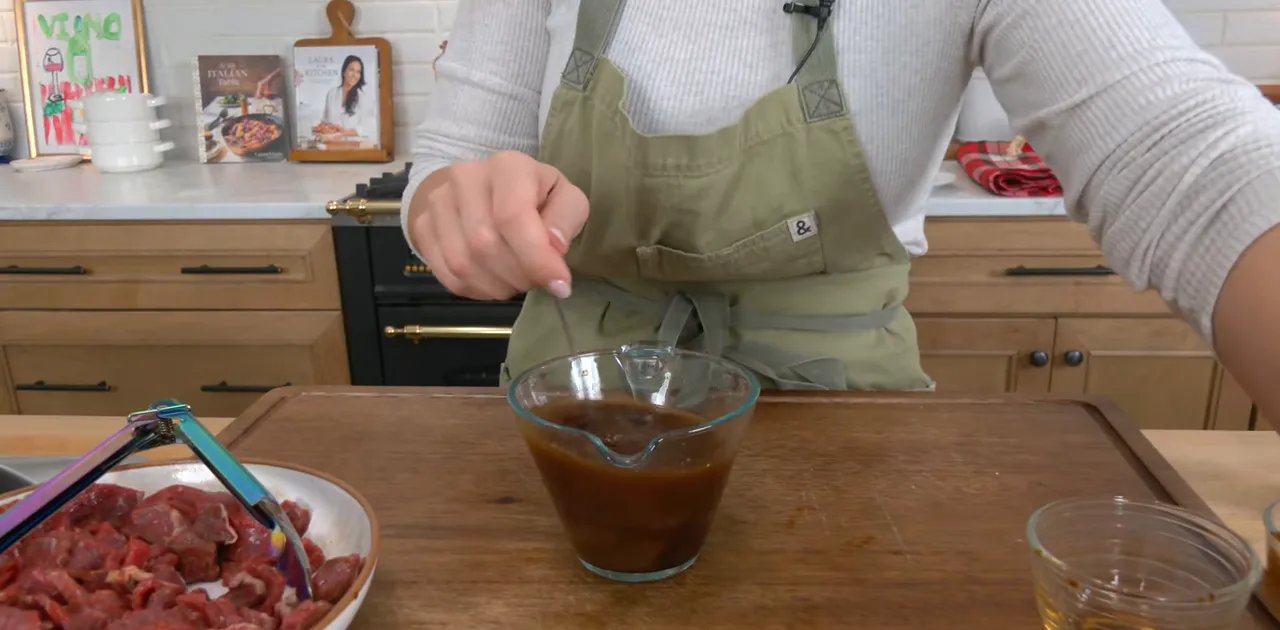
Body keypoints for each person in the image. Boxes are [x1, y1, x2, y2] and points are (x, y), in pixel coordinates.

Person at [402, 0, 1280, 425]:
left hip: (846, 422)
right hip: (577, 408)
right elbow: (450, 162)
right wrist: (454, 207)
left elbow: (1194, 158)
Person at [320, 55, 376, 140]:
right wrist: (321, 128)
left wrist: (343, 133)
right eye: (351, 70)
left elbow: (366, 126)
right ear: (344, 72)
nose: (354, 75)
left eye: (358, 72)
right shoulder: (332, 93)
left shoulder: (363, 97)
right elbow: (325, 120)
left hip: (354, 145)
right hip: (333, 144)